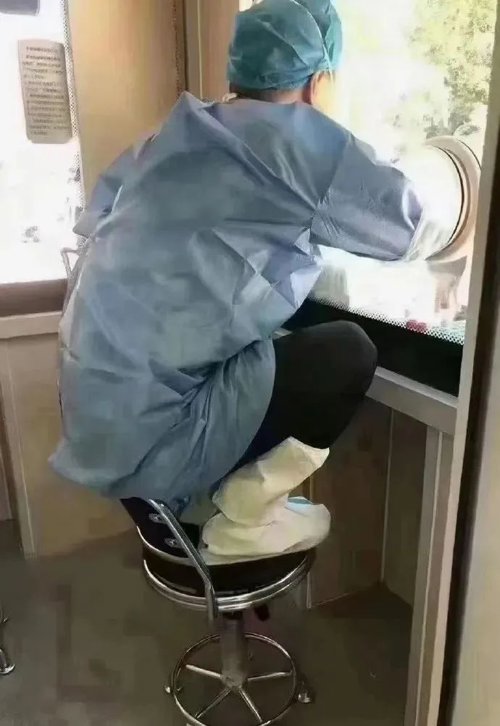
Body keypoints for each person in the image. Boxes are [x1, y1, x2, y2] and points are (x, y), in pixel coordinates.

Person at [51, 0, 423, 513]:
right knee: (348, 350)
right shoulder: (298, 142)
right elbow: (406, 227)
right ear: (319, 82)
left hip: (93, 419)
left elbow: (116, 229)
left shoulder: (171, 137)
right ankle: (243, 520)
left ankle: (221, 518)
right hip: (157, 445)